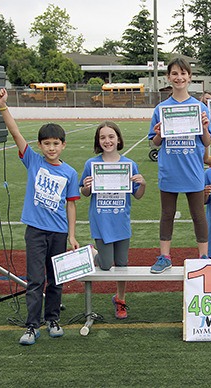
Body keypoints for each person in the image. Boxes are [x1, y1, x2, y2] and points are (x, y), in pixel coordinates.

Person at [0, 88, 80, 345]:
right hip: (35, 231)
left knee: (55, 279)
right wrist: (2, 106)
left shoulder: (70, 173)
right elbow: (16, 133)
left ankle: (52, 319)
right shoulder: (32, 161)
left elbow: (71, 205)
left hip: (59, 233)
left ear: (63, 145)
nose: (51, 148)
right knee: (35, 280)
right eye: (47, 143)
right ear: (40, 145)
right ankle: (32, 326)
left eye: (56, 143)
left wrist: (72, 235)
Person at [148, 57, 211, 273]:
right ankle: (165, 256)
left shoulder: (199, 107)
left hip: (193, 169)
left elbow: (207, 141)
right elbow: (154, 142)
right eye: (175, 73)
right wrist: (158, 133)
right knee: (167, 214)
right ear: (168, 77)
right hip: (170, 170)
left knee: (198, 215)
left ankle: (203, 255)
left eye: (183, 73)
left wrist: (204, 126)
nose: (179, 77)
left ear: (190, 77)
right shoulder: (161, 108)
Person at [80, 121, 146, 319]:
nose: (107, 141)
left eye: (111, 136)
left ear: (118, 139)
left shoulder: (129, 165)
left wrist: (142, 183)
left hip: (121, 223)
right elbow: (83, 192)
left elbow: (138, 195)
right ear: (98, 141)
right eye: (103, 137)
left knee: (122, 265)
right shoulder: (91, 164)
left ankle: (120, 299)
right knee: (107, 265)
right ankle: (93, 252)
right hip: (101, 222)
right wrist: (86, 186)